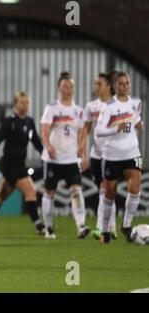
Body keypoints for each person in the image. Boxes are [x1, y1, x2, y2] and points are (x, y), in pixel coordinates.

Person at [0, 91, 45, 235]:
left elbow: (36, 142)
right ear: (15, 104)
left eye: (27, 102)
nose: (25, 105)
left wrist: (45, 156)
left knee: (1, 196)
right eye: (22, 102)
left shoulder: (29, 122)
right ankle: (40, 227)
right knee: (31, 191)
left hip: (19, 165)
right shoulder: (9, 122)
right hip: (9, 165)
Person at [40, 71, 90, 239]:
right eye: (65, 86)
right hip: (53, 159)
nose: (68, 89)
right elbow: (44, 130)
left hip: (71, 159)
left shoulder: (79, 111)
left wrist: (83, 154)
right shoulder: (52, 108)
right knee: (49, 193)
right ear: (59, 88)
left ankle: (81, 226)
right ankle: (48, 228)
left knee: (76, 191)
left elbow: (83, 134)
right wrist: (48, 146)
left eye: (71, 86)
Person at [95, 71, 143, 243]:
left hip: (131, 152)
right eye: (121, 83)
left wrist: (139, 123)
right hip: (112, 155)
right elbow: (98, 131)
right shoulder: (108, 107)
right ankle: (106, 230)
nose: (125, 86)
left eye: (127, 83)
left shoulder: (136, 103)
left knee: (135, 189)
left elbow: (136, 119)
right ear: (115, 86)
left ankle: (127, 225)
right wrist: (116, 128)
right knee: (109, 194)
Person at [82, 73, 117, 240]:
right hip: (96, 154)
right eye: (95, 83)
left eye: (99, 84)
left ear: (108, 86)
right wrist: (82, 151)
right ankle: (111, 227)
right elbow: (85, 129)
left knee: (106, 190)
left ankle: (101, 228)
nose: (96, 87)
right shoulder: (91, 106)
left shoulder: (118, 105)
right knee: (105, 191)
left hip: (112, 154)